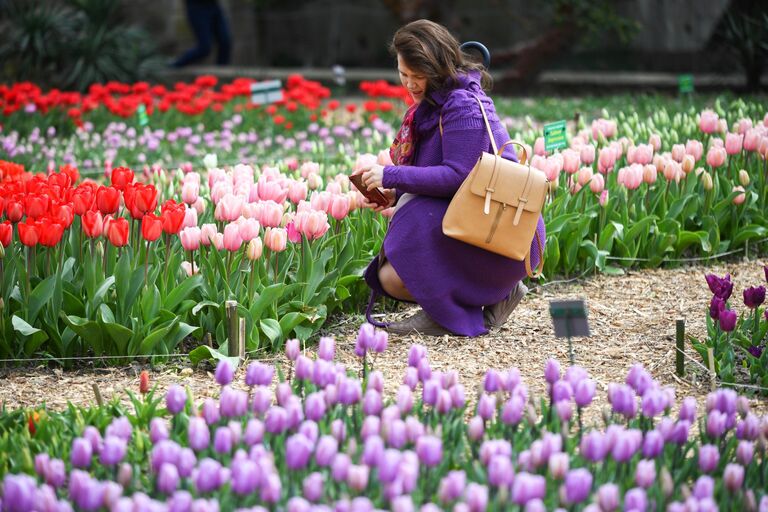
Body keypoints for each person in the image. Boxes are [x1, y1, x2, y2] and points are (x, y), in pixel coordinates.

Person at [354, 19, 546, 337]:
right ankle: (468, 303)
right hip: (477, 219)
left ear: (438, 68)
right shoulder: (436, 101)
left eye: (419, 76)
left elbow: (458, 177)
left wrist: (390, 175)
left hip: (502, 229)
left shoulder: (462, 106)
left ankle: (467, 305)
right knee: (394, 262)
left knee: (406, 244)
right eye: (404, 75)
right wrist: (396, 193)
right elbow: (441, 172)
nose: (411, 84)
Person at [171, 0, 232, 68]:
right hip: (196, 8)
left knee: (225, 41)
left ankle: (221, 70)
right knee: (204, 48)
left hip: (214, 6)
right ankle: (176, 64)